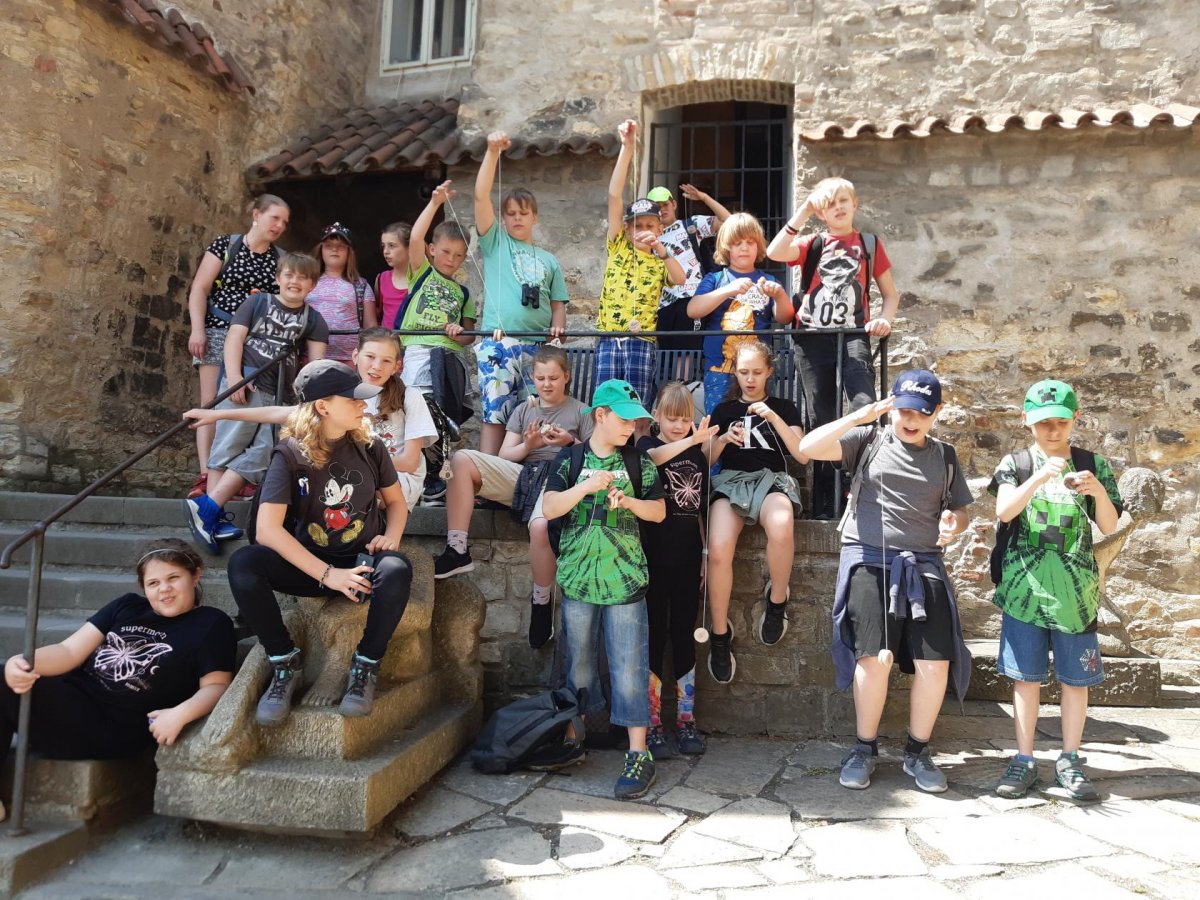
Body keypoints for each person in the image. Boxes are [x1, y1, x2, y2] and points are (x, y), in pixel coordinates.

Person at [798, 369, 973, 794]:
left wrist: (955, 523)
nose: (912, 420)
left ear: (937, 412)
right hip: (868, 558)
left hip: (923, 562)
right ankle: (864, 747)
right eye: (905, 410)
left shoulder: (946, 456)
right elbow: (806, 449)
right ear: (892, 406)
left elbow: (961, 510)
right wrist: (857, 417)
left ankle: (917, 751)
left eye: (922, 413)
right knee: (874, 659)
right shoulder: (868, 440)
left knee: (936, 662)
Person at [226, 360, 414, 725]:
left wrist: (390, 537)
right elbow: (267, 530)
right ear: (323, 407)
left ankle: (365, 666)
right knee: (243, 564)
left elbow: (396, 503)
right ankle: (284, 662)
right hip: (310, 567)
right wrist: (329, 575)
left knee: (397, 569)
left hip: (361, 564)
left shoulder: (371, 446)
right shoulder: (290, 454)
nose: (363, 405)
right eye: (353, 399)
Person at [0, 540, 235, 820]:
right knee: (3, 673)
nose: (164, 589)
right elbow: (69, 651)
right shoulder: (127, 606)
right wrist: (23, 661)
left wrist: (180, 714)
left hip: (114, 726)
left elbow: (217, 686)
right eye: (153, 583)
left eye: (174, 578)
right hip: (73, 701)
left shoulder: (211, 623)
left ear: (195, 575)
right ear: (143, 587)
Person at [990, 380, 1122, 802]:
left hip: (1075, 596)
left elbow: (1109, 526)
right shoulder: (1016, 463)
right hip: (1023, 591)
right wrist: (1038, 476)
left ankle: (1070, 759)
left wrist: (1098, 491)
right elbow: (1004, 510)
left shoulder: (1092, 464)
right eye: (1043, 422)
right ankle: (1024, 758)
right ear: (1026, 421)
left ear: (1075, 419)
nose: (1053, 430)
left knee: (1075, 681)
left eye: (1061, 422)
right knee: (1025, 680)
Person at [540, 379, 666, 799]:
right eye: (625, 419)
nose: (632, 426)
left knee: (630, 667)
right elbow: (549, 508)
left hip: (626, 579)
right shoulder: (570, 459)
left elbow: (659, 512)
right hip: (579, 578)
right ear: (601, 415)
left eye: (635, 420)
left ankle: (639, 753)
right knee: (577, 663)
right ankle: (573, 739)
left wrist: (627, 502)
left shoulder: (639, 462)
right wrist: (586, 487)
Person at [433, 345, 590, 649]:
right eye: (541, 378)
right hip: (524, 475)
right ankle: (457, 549)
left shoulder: (581, 410)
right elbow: (506, 455)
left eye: (553, 378)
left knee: (540, 526)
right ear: (532, 377)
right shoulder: (523, 409)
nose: (546, 384)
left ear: (566, 377)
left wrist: (570, 442)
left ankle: (541, 602)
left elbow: (595, 458)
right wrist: (529, 445)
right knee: (462, 459)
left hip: (560, 477)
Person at [183, 328, 438, 513]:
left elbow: (409, 461)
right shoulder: (344, 394)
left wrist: (356, 460)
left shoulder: (409, 396)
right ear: (355, 356)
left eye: (386, 360)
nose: (377, 366)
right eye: (370, 357)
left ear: (397, 366)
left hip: (397, 481)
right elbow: (283, 413)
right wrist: (217, 414)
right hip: (352, 475)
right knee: (294, 456)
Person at [766, 177, 900, 519]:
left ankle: (864, 486)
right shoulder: (812, 243)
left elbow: (890, 294)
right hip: (811, 339)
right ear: (821, 213)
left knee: (865, 405)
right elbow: (775, 252)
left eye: (843, 200)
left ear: (854, 204)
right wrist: (804, 210)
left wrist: (883, 321)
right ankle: (826, 499)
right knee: (821, 416)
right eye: (829, 204)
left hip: (853, 334)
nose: (838, 207)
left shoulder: (869, 244)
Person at [183, 252, 329, 553]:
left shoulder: (314, 319)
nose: (294, 282)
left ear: (312, 285)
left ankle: (207, 509)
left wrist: (304, 400)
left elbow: (315, 365)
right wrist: (235, 378)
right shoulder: (257, 303)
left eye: (303, 278)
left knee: (265, 452)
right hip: (245, 384)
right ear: (278, 278)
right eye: (289, 275)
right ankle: (213, 518)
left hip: (280, 392)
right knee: (228, 446)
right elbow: (235, 339)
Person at [705, 341, 807, 684]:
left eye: (757, 372)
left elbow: (802, 455)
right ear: (735, 372)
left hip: (772, 480)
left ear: (769, 372)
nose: (750, 379)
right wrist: (723, 440)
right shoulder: (723, 410)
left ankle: (777, 602)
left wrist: (772, 416)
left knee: (781, 525)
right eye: (744, 372)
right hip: (731, 481)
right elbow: (705, 459)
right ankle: (720, 634)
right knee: (718, 548)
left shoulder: (785, 407)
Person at [186, 194, 290, 500]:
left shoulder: (280, 259)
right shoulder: (226, 245)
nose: (280, 226)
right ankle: (207, 474)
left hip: (255, 342)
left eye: (284, 222)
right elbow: (200, 289)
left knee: (247, 404)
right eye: (275, 218)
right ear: (256, 215)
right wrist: (197, 329)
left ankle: (235, 474)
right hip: (218, 329)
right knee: (211, 402)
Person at [637, 382, 720, 758]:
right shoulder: (645, 445)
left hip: (687, 558)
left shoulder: (696, 456)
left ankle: (686, 720)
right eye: (671, 418)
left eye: (684, 420)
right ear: (656, 416)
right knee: (654, 636)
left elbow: (698, 509)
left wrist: (703, 552)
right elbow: (652, 459)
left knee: (684, 635)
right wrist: (694, 441)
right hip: (653, 559)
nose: (678, 426)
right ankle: (653, 723)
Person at [474, 131, 569, 455]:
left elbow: (557, 304)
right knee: (495, 410)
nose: (517, 218)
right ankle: (486, 471)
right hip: (500, 341)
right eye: (511, 213)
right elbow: (480, 197)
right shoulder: (496, 242)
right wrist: (492, 152)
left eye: (523, 213)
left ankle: (523, 471)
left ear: (534, 217)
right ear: (502, 218)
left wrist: (557, 333)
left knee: (531, 412)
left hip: (538, 347)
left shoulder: (549, 259)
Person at [396, 180, 477, 504]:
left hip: (450, 356)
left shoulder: (464, 293)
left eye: (458, 256)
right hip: (418, 350)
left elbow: (470, 336)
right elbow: (415, 237)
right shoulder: (422, 273)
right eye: (445, 252)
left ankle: (435, 473)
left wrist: (459, 332)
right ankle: (422, 470)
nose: (450, 259)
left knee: (439, 408)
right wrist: (434, 203)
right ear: (432, 250)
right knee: (417, 403)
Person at [595, 120, 686, 406]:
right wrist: (627, 148)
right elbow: (614, 195)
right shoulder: (618, 245)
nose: (643, 230)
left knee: (637, 405)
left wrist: (661, 250)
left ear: (660, 229)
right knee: (607, 404)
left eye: (649, 225)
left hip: (642, 341)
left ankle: (638, 438)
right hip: (609, 338)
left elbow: (680, 279)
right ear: (626, 229)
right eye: (637, 225)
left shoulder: (661, 259)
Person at [688, 213, 794, 414]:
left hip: (757, 371)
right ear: (726, 247)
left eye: (750, 242)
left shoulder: (768, 280)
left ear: (759, 246)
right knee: (718, 421)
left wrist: (779, 295)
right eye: (737, 243)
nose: (744, 247)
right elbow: (693, 310)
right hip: (719, 368)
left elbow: (785, 317)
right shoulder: (715, 279)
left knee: (756, 420)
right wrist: (728, 290)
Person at [649, 183, 730, 375]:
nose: (662, 210)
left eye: (665, 204)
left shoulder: (690, 225)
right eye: (657, 206)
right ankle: (671, 390)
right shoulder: (648, 236)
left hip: (691, 297)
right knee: (665, 353)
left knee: (685, 353)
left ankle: (681, 386)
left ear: (674, 204)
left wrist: (704, 197)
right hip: (661, 302)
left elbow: (728, 221)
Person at [307, 223, 377, 363]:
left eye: (341, 246)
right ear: (321, 250)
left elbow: (371, 327)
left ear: (349, 252)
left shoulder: (361, 285)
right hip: (309, 358)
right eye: (328, 246)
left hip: (349, 360)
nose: (334, 249)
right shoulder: (307, 280)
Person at [376, 221, 412, 332]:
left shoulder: (424, 279)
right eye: (383, 246)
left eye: (391, 246)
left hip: (413, 340)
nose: (385, 251)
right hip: (387, 339)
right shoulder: (382, 278)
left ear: (409, 248)